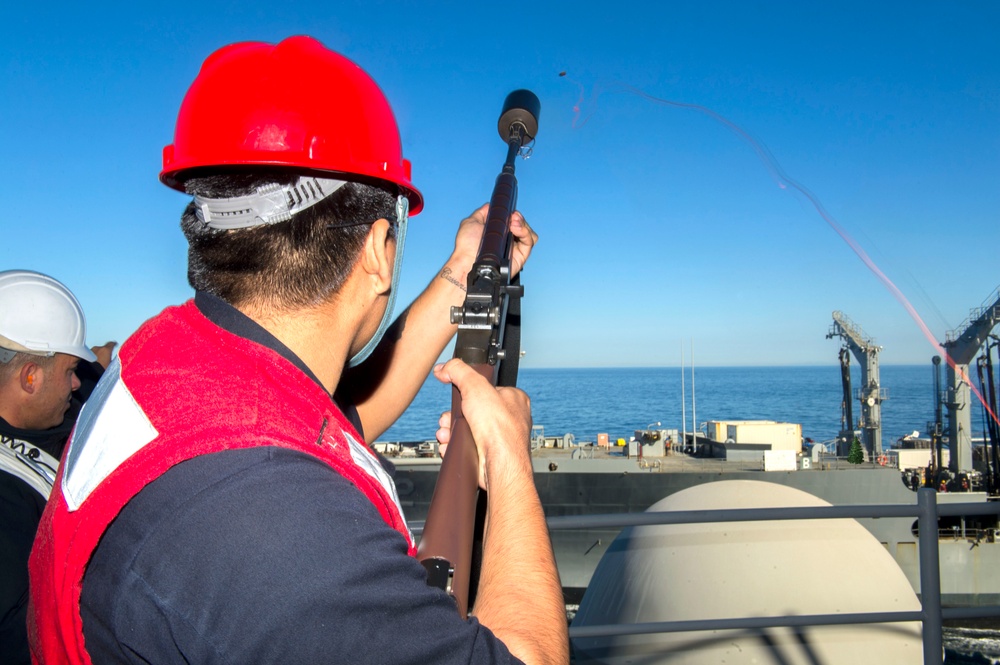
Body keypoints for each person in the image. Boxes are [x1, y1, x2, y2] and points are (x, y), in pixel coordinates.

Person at [29, 36, 568, 664]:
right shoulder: (278, 524)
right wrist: (508, 455)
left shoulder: (173, 358)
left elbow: (340, 418)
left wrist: (459, 272)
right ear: (376, 248)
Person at [0, 270, 113, 665]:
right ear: (30, 377)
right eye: (69, 372)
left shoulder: (39, 422)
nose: (76, 385)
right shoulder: (5, 502)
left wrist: (97, 364)